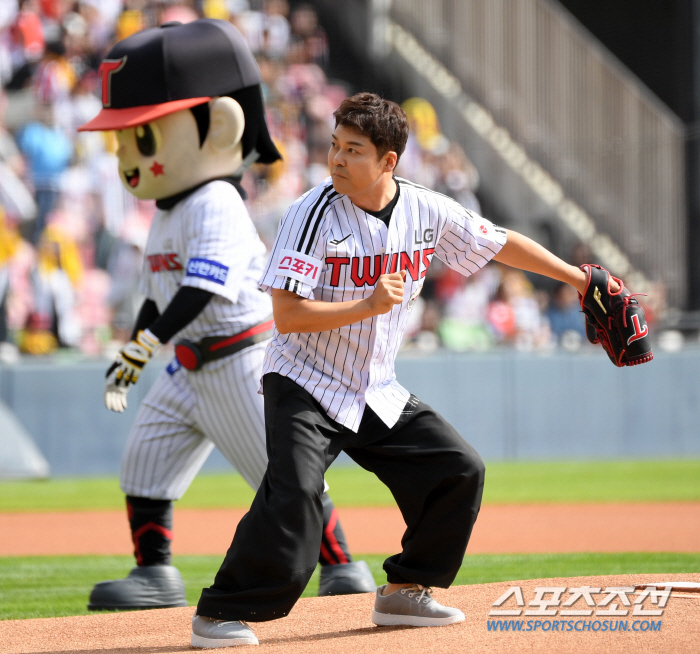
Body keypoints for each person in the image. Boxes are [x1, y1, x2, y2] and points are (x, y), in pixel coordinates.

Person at [190, 92, 620, 648]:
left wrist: (579, 280)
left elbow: (499, 243)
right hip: (303, 382)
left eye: (354, 150)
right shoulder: (310, 213)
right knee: (295, 494)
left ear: (389, 161)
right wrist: (365, 305)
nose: (337, 159)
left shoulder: (426, 209)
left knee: (458, 469)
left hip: (374, 388)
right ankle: (221, 612)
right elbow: (288, 315)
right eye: (335, 146)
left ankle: (405, 591)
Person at [77, 19, 375, 613]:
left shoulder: (215, 199)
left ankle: (342, 565)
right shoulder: (166, 210)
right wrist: (134, 352)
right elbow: (158, 298)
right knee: (144, 464)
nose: (127, 157)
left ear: (218, 127)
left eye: (143, 137)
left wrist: (143, 347)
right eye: (121, 142)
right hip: (187, 366)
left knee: (284, 477)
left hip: (239, 362)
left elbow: (202, 291)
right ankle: (153, 573)